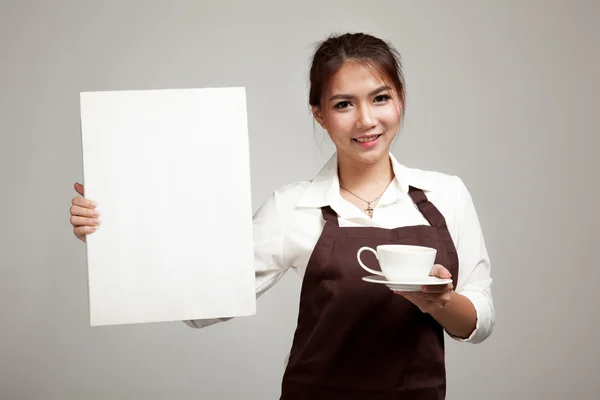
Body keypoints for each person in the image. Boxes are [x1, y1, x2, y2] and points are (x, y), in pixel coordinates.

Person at [70, 32, 494, 399]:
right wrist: (116, 235)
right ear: (320, 115)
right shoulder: (293, 208)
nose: (366, 120)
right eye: (344, 104)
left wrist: (440, 302)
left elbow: (479, 318)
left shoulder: (446, 194)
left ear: (399, 98)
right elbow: (201, 306)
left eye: (380, 98)